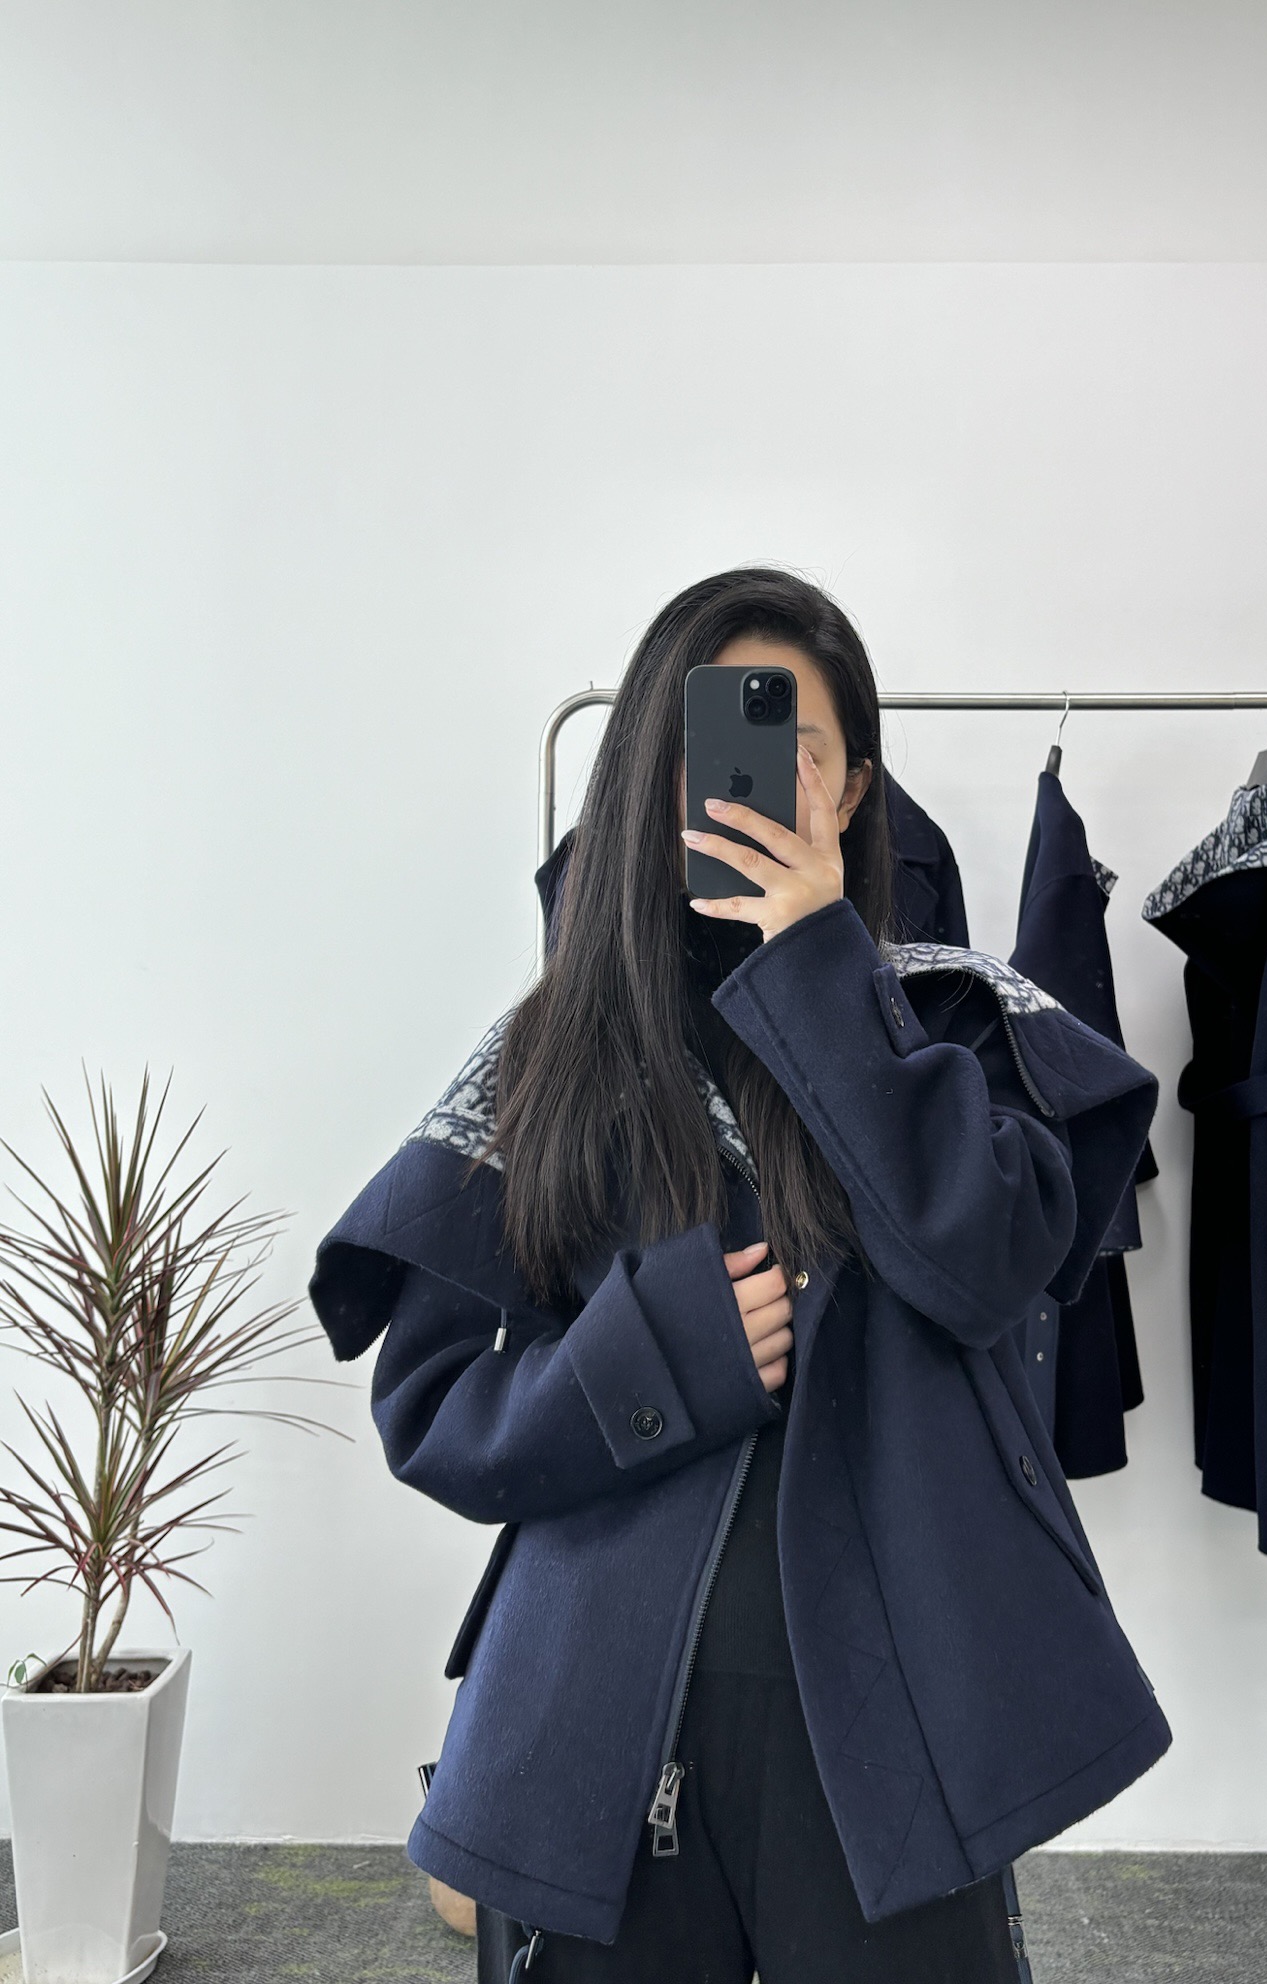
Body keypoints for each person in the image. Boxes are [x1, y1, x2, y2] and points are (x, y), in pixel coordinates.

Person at [307, 567, 1170, 1984]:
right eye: (702, 751)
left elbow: (985, 1269)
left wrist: (823, 965)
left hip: (900, 1745)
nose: (746, 788)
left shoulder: (957, 1019)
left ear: (853, 789)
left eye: (796, 749)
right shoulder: (550, 1059)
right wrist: (661, 1358)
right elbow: (434, 1408)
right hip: (598, 1744)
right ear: (643, 779)